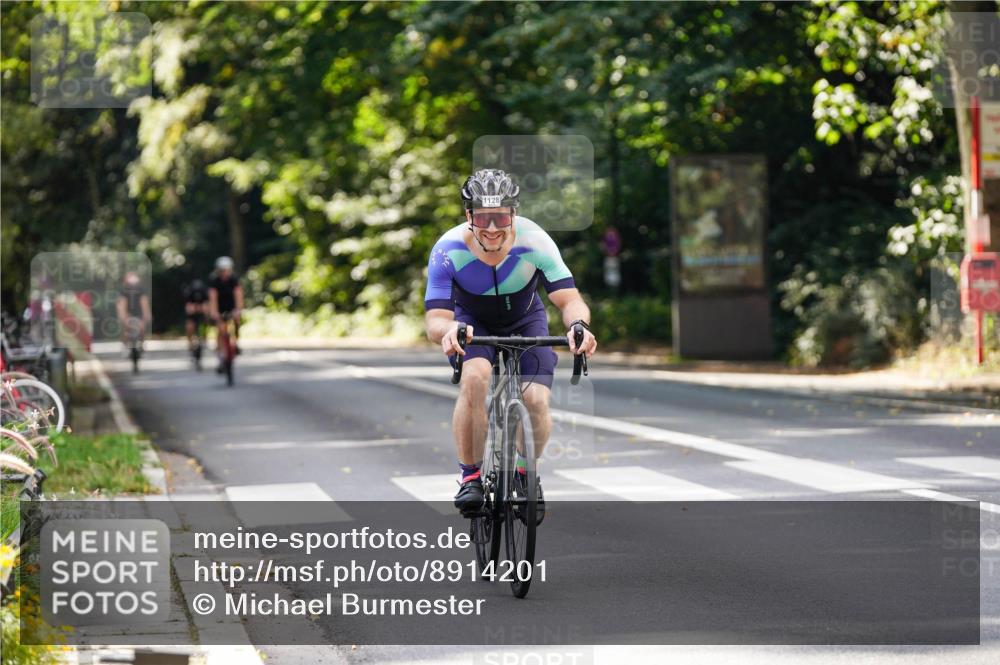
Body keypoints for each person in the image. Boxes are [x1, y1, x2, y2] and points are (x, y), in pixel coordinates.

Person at [423, 169, 598, 520]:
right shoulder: (448, 249)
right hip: (471, 323)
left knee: (535, 400)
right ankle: (470, 477)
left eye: (500, 217)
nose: (491, 228)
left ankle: (524, 472)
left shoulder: (535, 242)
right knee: (475, 379)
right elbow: (435, 319)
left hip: (525, 319)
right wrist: (450, 329)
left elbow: (569, 300)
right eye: (482, 218)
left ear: (514, 214)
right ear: (468, 215)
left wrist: (579, 326)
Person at [207, 256, 243, 369]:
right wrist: (214, 312)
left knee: (237, 320)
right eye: (222, 270)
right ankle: (221, 356)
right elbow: (212, 297)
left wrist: (238, 309)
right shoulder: (214, 280)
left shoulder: (234, 279)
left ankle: (236, 342)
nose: (224, 273)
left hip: (232, 306)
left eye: (226, 270)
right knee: (221, 330)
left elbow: (238, 295)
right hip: (220, 307)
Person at [116, 271, 151, 353]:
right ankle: (125, 346)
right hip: (127, 312)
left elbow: (144, 303)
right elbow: (121, 305)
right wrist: (124, 318)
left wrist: (146, 315)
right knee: (126, 328)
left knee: (142, 328)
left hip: (139, 312)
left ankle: (141, 344)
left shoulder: (141, 291)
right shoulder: (123, 291)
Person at [183, 278, 209, 356]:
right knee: (189, 327)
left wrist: (202, 308)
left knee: (205, 322)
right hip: (192, 315)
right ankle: (190, 344)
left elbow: (207, 305)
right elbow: (188, 308)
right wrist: (195, 308)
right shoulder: (189, 293)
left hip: (202, 314)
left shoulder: (204, 293)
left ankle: (204, 338)